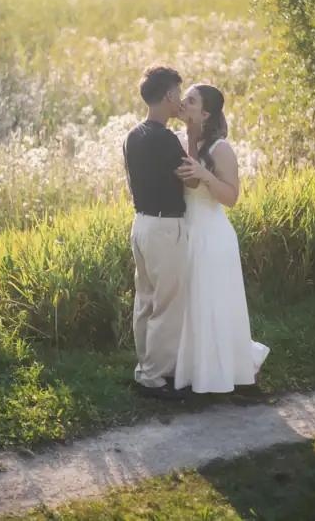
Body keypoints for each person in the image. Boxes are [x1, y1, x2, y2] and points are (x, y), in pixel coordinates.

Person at [174, 84, 269, 394]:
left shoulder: (221, 149)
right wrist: (188, 137)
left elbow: (230, 197)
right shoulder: (178, 141)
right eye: (182, 98)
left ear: (204, 113)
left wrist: (207, 176)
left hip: (213, 235)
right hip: (185, 232)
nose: (182, 103)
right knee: (191, 304)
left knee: (215, 305)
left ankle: (236, 371)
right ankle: (194, 373)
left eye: (190, 100)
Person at [123, 65, 199, 399]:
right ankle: (155, 377)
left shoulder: (132, 135)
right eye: (178, 95)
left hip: (141, 223)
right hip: (165, 228)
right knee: (167, 303)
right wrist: (192, 132)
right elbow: (194, 179)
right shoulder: (165, 137)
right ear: (169, 96)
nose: (180, 101)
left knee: (146, 300)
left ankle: (145, 369)